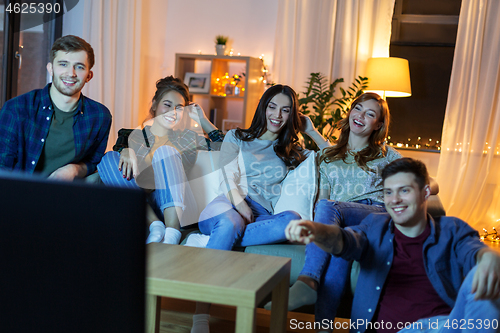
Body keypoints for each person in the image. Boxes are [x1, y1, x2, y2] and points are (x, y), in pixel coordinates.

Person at [286, 157, 500, 333]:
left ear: (425, 192)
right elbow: (345, 241)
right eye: (388, 192)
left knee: (483, 273)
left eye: (404, 190)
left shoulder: (451, 229)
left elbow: (472, 250)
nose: (394, 199)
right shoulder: (374, 226)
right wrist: (316, 230)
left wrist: (488, 256)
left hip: (446, 327)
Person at [189, 84, 329, 333]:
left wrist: (312, 131)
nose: (277, 115)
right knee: (231, 222)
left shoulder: (293, 152)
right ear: (263, 107)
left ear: (292, 116)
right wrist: (240, 204)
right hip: (227, 205)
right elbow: (227, 176)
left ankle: (219, 240)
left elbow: (334, 159)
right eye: (272, 107)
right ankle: (200, 316)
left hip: (261, 218)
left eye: (285, 110)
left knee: (292, 220)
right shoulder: (237, 137)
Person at [265, 92, 402, 322]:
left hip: (375, 215)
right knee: (338, 244)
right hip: (345, 222)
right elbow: (323, 200)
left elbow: (423, 181)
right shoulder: (328, 156)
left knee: (329, 208)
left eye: (370, 114)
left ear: (378, 124)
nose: (361, 116)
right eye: (357, 108)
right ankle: (323, 326)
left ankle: (307, 280)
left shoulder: (386, 155)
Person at [97, 76, 223, 244]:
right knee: (108, 158)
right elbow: (115, 167)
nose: (172, 112)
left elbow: (226, 146)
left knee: (165, 152)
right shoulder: (129, 135)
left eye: (179, 108)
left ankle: (172, 234)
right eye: (167, 105)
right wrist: (124, 150)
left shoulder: (188, 139)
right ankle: (155, 225)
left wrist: (202, 119)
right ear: (155, 104)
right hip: (147, 204)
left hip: (181, 206)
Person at [0, 35, 111, 180]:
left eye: (79, 66)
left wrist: (74, 169)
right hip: (20, 195)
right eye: (63, 64)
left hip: (66, 196)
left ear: (89, 75)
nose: (71, 73)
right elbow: (3, 168)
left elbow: (94, 161)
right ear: (50, 69)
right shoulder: (16, 109)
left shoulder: (100, 116)